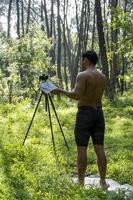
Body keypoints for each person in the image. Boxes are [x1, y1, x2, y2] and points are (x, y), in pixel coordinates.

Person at [52, 50, 109, 189]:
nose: (81, 63)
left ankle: (81, 183)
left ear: (87, 60)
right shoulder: (102, 77)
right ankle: (102, 182)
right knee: (99, 148)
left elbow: (76, 95)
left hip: (84, 114)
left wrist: (60, 90)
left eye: (82, 60)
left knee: (81, 149)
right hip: (99, 113)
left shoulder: (83, 75)